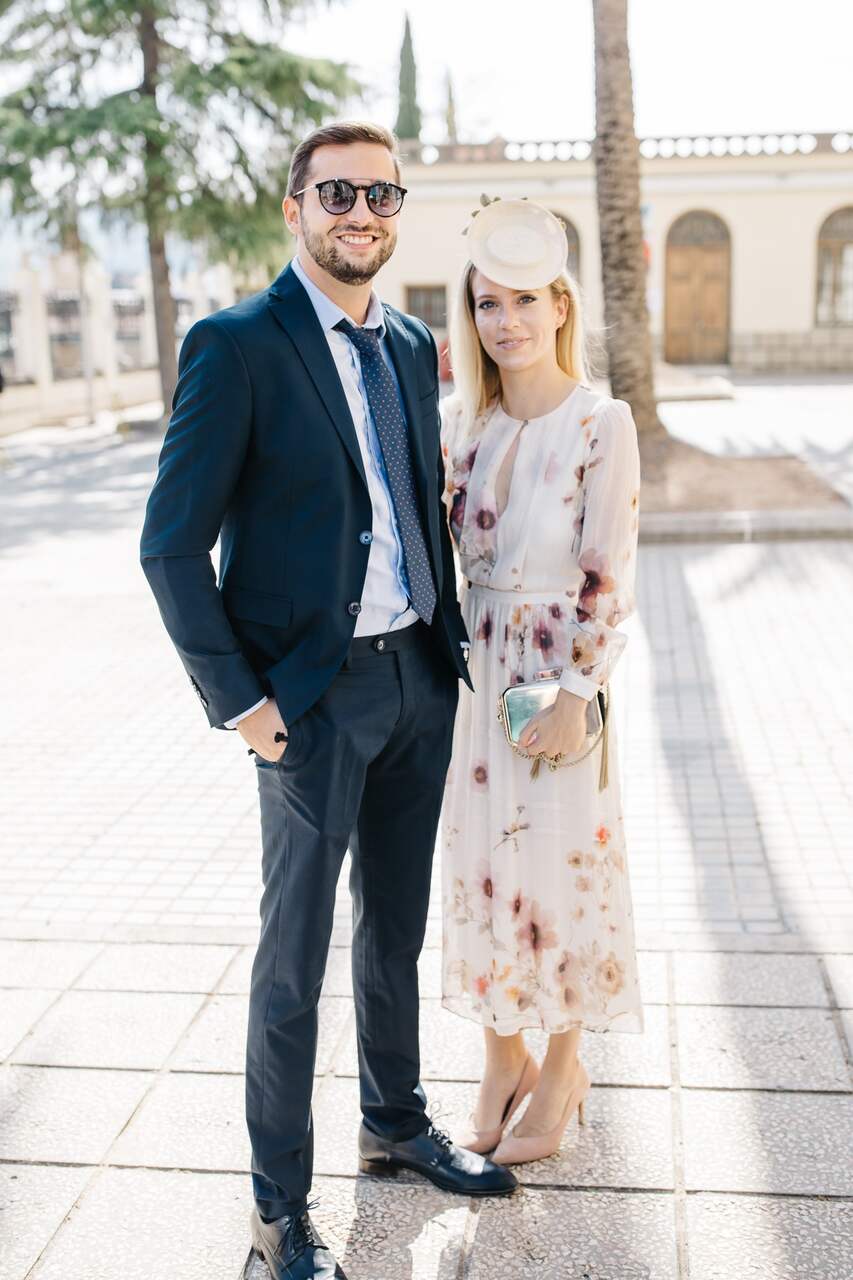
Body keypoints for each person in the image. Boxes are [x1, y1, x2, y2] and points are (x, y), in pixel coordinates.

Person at [140, 122, 516, 1280]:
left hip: (414, 673)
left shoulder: (408, 342)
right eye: (339, 191)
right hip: (306, 699)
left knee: (392, 931)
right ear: (295, 205)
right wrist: (240, 702)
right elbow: (168, 546)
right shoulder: (235, 343)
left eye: (383, 194)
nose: (363, 211)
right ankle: (276, 1213)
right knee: (294, 959)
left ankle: (394, 1120)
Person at [440, 198, 644, 1167]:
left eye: (525, 299)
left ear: (561, 304)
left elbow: (610, 573)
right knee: (481, 872)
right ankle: (499, 1052)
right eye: (487, 303)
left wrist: (576, 688)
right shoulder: (463, 426)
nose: (506, 321)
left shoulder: (601, 422)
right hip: (476, 677)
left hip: (558, 673)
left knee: (564, 873)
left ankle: (564, 1063)